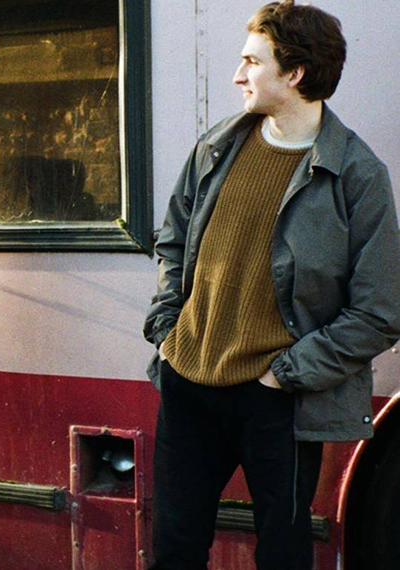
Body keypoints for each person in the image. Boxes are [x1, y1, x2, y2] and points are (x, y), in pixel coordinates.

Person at [143, 2, 400, 568]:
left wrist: (285, 374)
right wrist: (167, 330)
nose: (238, 75)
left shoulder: (357, 175)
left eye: (252, 62)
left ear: (295, 73)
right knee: (173, 552)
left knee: (283, 556)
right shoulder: (215, 148)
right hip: (189, 383)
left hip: (278, 399)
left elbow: (380, 312)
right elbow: (172, 244)